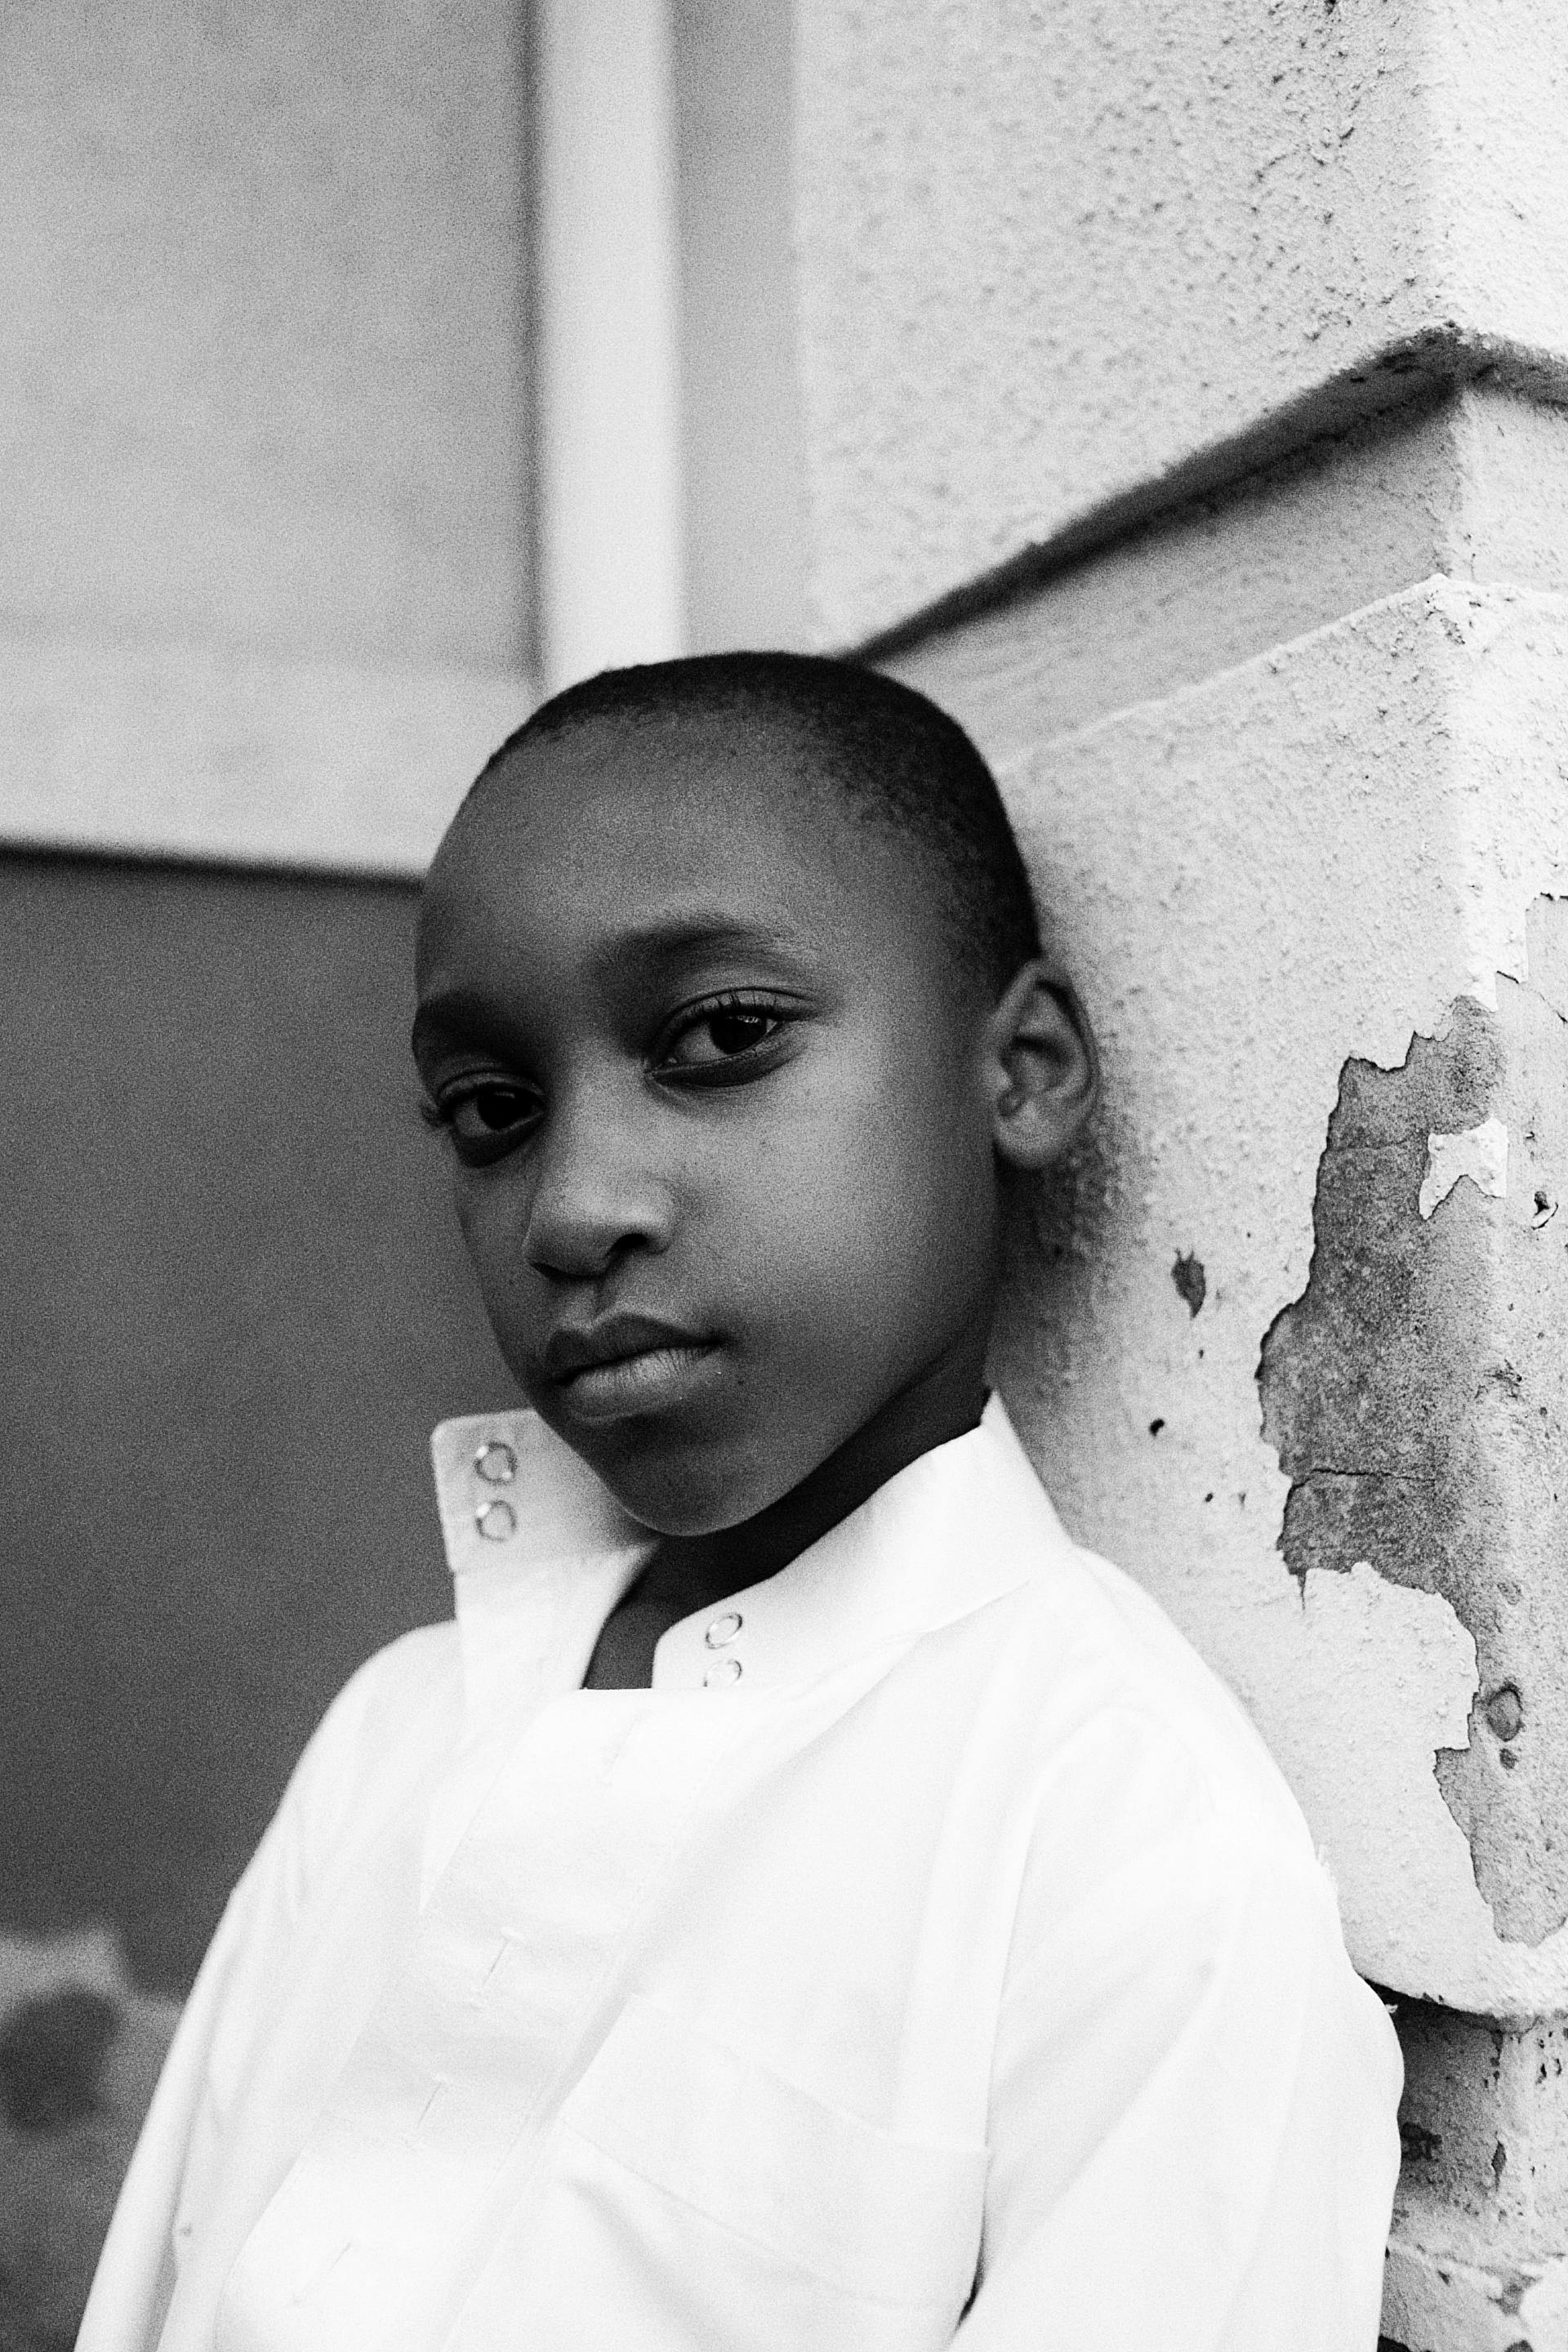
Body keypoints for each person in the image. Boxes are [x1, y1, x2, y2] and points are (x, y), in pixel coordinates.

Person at [80, 653, 1402, 2352]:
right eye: (492, 1113)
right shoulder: (396, 1736)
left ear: (1022, 1074)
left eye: (720, 1039)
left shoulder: (1135, 1870)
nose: (573, 1206)